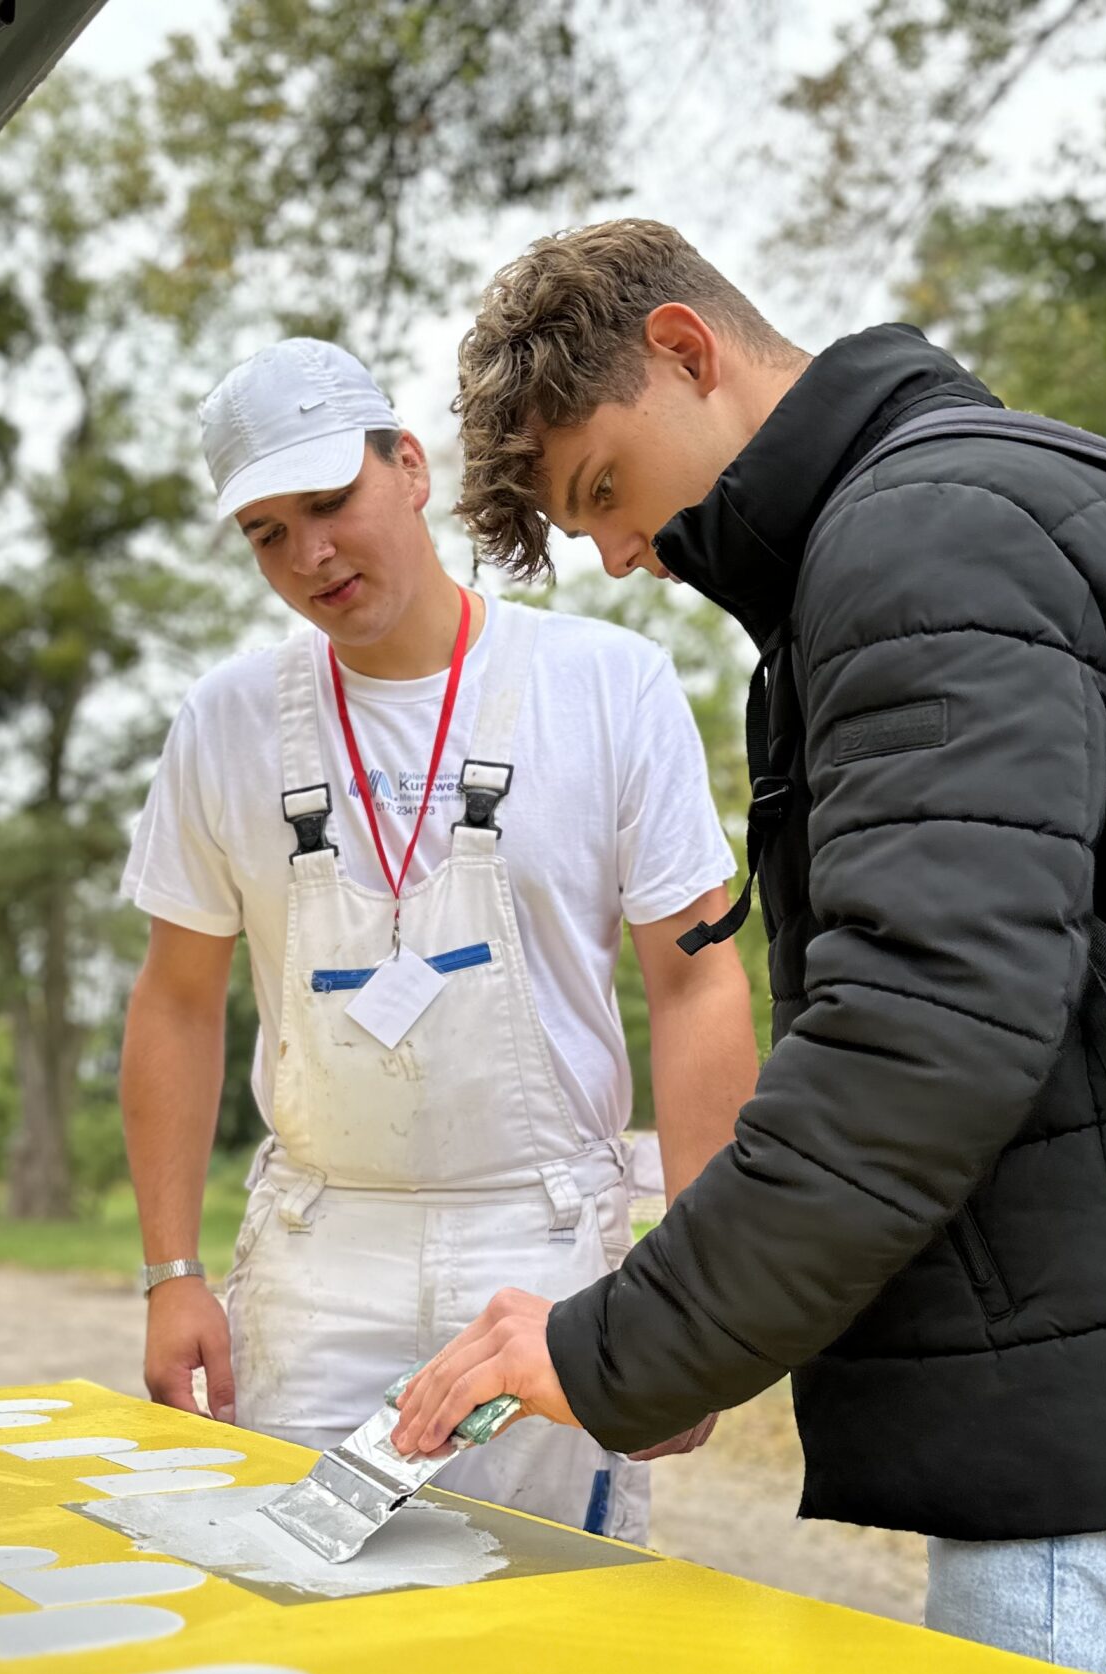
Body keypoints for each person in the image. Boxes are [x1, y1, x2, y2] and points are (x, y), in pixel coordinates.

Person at [393, 220, 1106, 1674]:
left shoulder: (923, 545)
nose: (626, 556)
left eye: (610, 487)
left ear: (693, 351)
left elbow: (916, 1044)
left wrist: (616, 1343)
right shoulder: (962, 508)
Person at [118, 336, 757, 1540]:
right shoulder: (226, 724)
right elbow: (176, 999)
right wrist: (171, 1273)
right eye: (265, 532)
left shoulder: (605, 685)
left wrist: (699, 1301)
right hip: (317, 1260)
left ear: (407, 468)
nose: (309, 554)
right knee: (291, 1622)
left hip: (544, 1250)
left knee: (546, 1631)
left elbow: (696, 986)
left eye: (328, 501)